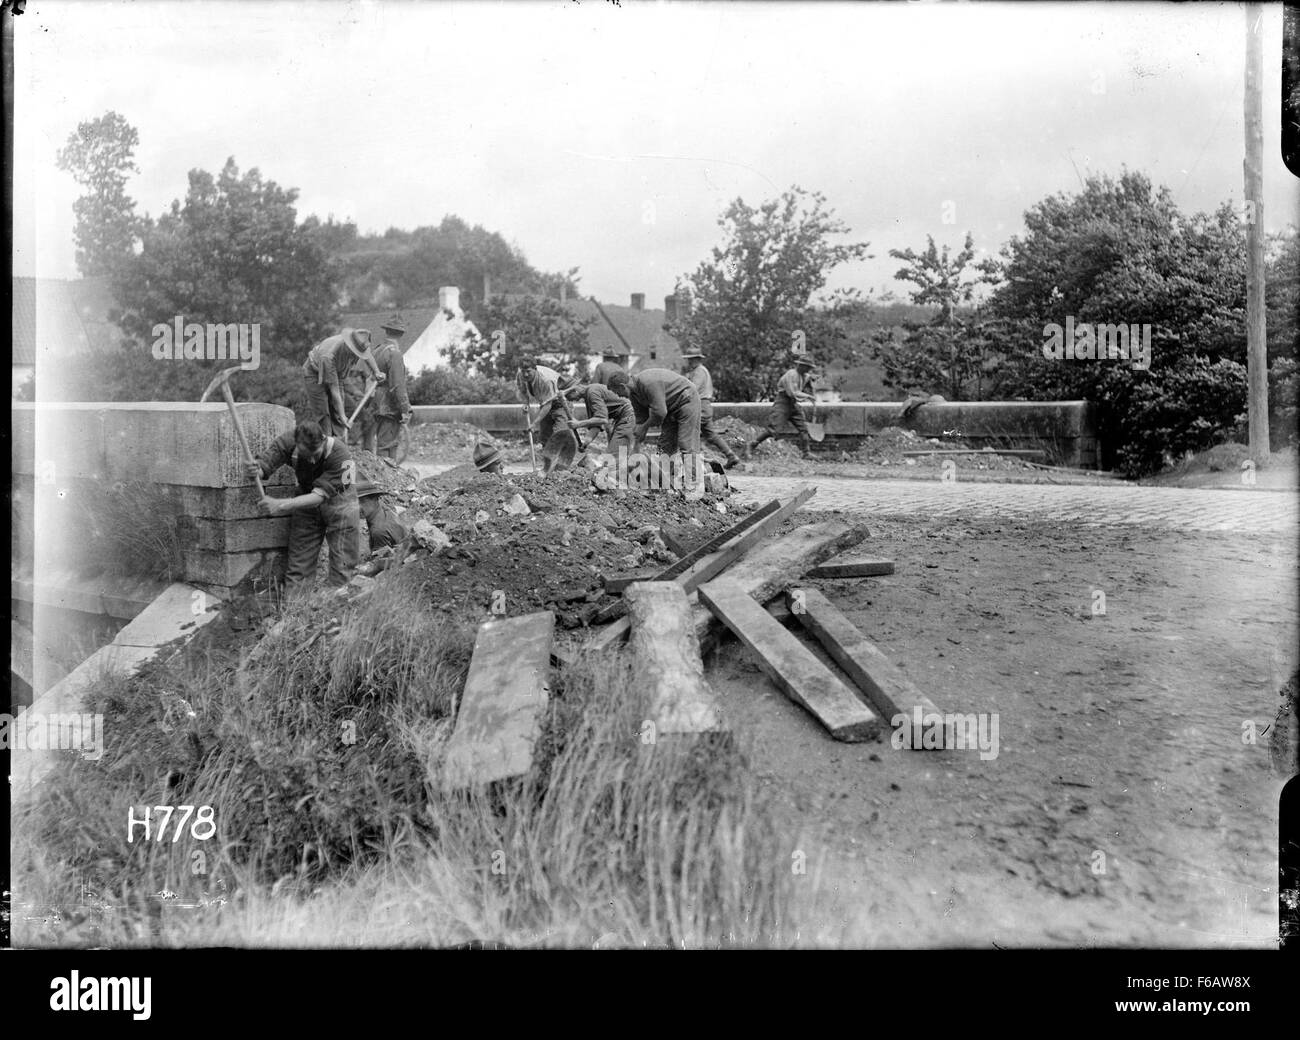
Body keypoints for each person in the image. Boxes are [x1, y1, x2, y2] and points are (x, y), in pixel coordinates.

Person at [249, 419, 360, 591]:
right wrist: (257, 470)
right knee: (299, 565)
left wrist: (280, 505)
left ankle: (338, 611)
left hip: (340, 504)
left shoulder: (340, 455)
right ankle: (295, 612)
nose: (313, 461)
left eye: (316, 454)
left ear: (323, 441)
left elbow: (318, 497)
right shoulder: (287, 443)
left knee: (343, 567)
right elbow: (266, 464)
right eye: (307, 456)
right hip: (306, 500)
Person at [303, 327, 383, 437]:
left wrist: (377, 372)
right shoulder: (329, 356)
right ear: (348, 346)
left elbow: (368, 355)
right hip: (314, 373)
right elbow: (335, 390)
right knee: (323, 413)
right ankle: (326, 444)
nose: (357, 355)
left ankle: (339, 444)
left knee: (338, 413)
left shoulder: (360, 342)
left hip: (337, 373)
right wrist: (343, 415)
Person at [608, 367, 701, 456]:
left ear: (622, 387)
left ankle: (694, 472)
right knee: (665, 445)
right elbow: (641, 421)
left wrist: (644, 428)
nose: (619, 396)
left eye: (617, 392)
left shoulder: (648, 383)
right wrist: (636, 443)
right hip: (670, 407)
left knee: (686, 443)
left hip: (686, 399)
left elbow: (660, 413)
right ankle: (664, 472)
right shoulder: (634, 395)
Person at [748, 353, 819, 459]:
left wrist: (813, 379)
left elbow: (809, 378)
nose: (809, 370)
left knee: (803, 429)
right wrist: (808, 396)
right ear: (801, 366)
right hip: (783, 403)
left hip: (793, 404)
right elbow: (792, 393)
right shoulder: (791, 375)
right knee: (774, 430)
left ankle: (806, 452)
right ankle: (752, 445)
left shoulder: (804, 376)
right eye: (808, 367)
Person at [681, 350, 741, 469]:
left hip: (700, 406)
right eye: (689, 359)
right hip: (705, 405)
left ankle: (696, 462)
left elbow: (693, 389)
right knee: (710, 435)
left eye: (691, 359)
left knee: (686, 432)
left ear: (698, 359)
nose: (689, 361)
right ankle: (731, 456)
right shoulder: (700, 371)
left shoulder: (699, 372)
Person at [370, 316, 411, 460]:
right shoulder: (395, 354)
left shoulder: (377, 351)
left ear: (386, 331)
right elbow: (397, 385)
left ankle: (390, 476)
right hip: (389, 405)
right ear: (401, 334)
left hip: (377, 400)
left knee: (387, 443)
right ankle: (386, 479)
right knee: (387, 445)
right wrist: (405, 409)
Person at [516, 356, 577, 446]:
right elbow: (523, 391)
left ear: (535, 369)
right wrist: (526, 403)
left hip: (562, 402)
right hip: (545, 402)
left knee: (561, 433)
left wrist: (534, 423)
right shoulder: (520, 374)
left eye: (528, 371)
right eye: (523, 371)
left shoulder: (545, 380)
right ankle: (548, 457)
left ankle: (570, 453)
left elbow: (548, 405)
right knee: (545, 437)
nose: (525, 375)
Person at [566, 382, 636, 456]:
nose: (570, 400)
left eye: (568, 396)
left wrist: (578, 424)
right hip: (621, 418)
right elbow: (596, 426)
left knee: (615, 453)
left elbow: (602, 419)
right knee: (615, 452)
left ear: (575, 391)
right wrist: (585, 443)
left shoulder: (592, 392)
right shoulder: (588, 396)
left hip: (628, 414)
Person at [354, 479, 409, 550]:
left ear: (375, 499)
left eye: (362, 502)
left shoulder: (378, 532)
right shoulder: (385, 509)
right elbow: (401, 509)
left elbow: (380, 560)